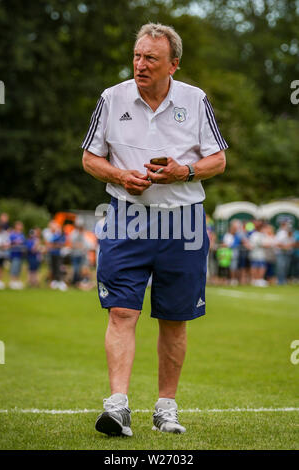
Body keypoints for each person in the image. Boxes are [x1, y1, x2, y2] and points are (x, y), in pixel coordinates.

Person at [81, 23, 227, 437]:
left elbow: (218, 161)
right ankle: (117, 406)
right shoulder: (112, 97)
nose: (140, 65)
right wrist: (121, 176)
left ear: (173, 65)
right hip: (127, 216)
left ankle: (165, 407)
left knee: (175, 318)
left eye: (151, 59)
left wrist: (185, 171)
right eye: (137, 56)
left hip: (184, 221)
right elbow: (91, 159)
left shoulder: (195, 100)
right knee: (122, 310)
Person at [9, 221, 26, 289]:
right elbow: (10, 243)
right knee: (14, 268)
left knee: (19, 268)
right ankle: (12, 281)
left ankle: (17, 281)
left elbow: (24, 243)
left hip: (20, 254)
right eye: (19, 225)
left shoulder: (22, 235)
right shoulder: (12, 234)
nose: (20, 227)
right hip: (14, 254)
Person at [0, 222, 10, 289]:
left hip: (2, 254)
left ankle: (0, 280)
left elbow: (7, 242)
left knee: (1, 268)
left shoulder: (5, 233)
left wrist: (5, 245)